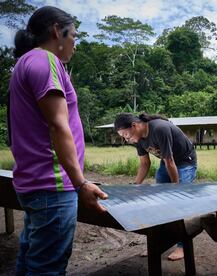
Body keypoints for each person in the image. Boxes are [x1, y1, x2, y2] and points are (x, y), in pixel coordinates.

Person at [8, 6, 108, 275]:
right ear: (57, 30)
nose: (75, 42)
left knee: (30, 259)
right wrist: (80, 182)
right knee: (47, 269)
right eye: (73, 35)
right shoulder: (46, 61)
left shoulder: (24, 63)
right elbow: (58, 124)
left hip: (34, 184)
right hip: (53, 186)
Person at [114, 112, 197, 261]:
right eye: (123, 137)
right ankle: (158, 242)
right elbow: (145, 164)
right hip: (166, 163)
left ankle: (182, 246)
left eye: (126, 134)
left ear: (134, 126)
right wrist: (134, 186)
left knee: (180, 202)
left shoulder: (159, 128)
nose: (126, 139)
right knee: (158, 202)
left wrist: (175, 188)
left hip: (184, 162)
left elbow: (170, 161)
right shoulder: (138, 139)